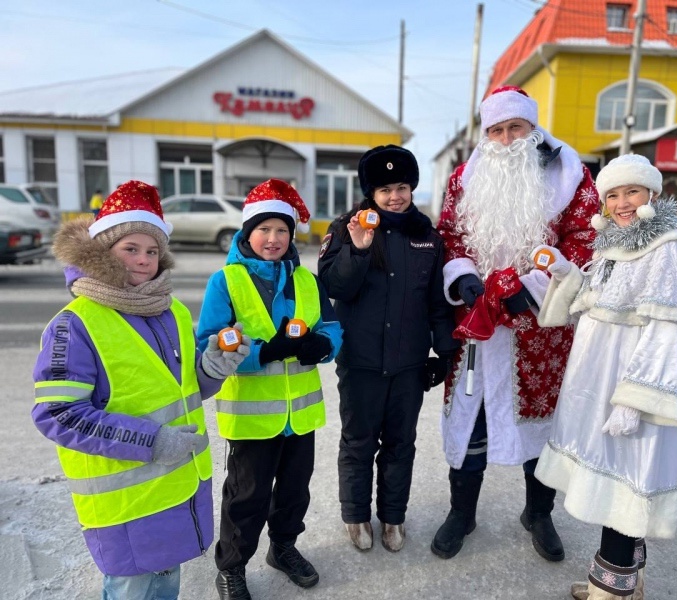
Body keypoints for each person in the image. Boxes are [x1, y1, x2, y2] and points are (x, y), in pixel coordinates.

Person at [31, 180, 250, 600]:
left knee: (166, 583)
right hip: (126, 502)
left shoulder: (170, 310)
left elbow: (183, 388)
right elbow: (58, 413)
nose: (144, 260)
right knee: (132, 589)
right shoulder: (74, 323)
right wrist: (152, 441)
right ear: (102, 252)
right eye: (131, 248)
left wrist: (214, 367)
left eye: (152, 250)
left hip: (176, 485)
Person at [533, 154, 677, 599]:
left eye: (631, 191)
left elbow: (667, 333)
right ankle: (624, 580)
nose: (621, 203)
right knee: (615, 482)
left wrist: (637, 400)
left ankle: (610, 591)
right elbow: (598, 300)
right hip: (600, 384)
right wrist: (567, 275)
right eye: (612, 195)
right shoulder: (614, 243)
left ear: (652, 194)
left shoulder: (667, 247)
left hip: (629, 385)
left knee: (626, 485)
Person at [433, 85, 599, 561]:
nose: (506, 140)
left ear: (532, 128)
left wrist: (535, 286)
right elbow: (450, 233)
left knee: (540, 428)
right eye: (497, 130)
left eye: (515, 128)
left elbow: (585, 238)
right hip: (478, 328)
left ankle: (539, 514)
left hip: (540, 330)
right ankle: (461, 513)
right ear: (486, 134)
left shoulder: (570, 175)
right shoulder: (466, 177)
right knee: (470, 423)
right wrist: (461, 276)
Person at [197, 179, 342, 600]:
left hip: (300, 414)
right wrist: (265, 351)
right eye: (264, 230)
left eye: (282, 230)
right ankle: (231, 567)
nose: (273, 239)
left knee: (295, 491)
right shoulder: (226, 281)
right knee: (246, 498)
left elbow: (331, 327)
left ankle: (283, 549)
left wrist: (323, 346)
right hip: (251, 415)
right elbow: (212, 339)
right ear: (247, 233)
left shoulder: (308, 280)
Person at [318, 145, 459, 553]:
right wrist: (360, 249)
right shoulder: (346, 227)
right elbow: (333, 289)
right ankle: (356, 516)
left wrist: (444, 353)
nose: (394, 196)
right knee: (359, 441)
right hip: (361, 361)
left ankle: (393, 517)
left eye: (401, 187)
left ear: (412, 188)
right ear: (371, 193)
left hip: (408, 364)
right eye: (384, 189)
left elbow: (436, 303)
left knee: (401, 443)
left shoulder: (427, 239)